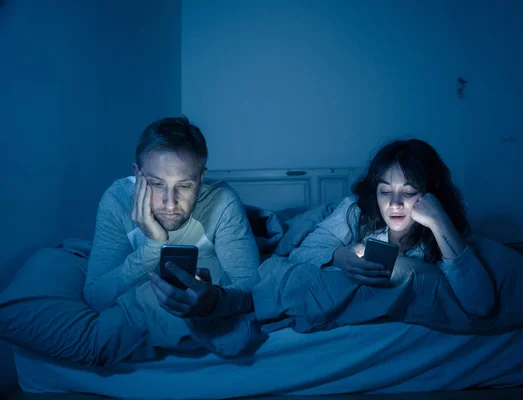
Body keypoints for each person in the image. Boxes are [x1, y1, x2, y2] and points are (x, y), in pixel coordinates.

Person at [288, 139, 495, 317]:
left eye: (409, 191)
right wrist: (338, 256)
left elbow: (479, 304)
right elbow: (300, 253)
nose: (395, 203)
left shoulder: (441, 225)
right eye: (385, 191)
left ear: (430, 195)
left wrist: (439, 220)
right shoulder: (356, 211)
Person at [84, 116, 259, 320]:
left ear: (201, 179)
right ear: (137, 174)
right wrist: (153, 246)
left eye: (184, 186)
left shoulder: (222, 201)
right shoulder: (117, 201)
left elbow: (253, 287)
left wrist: (216, 301)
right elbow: (95, 297)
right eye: (157, 184)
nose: (169, 203)